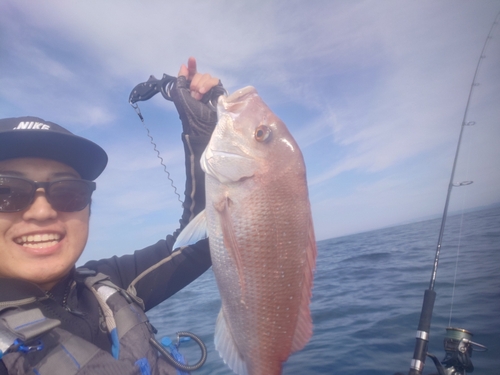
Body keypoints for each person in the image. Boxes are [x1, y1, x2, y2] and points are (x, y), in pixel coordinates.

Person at [0, 57, 224, 374]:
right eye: (6, 192)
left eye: (68, 192)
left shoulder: (109, 283)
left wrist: (204, 136)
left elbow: (206, 236)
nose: (42, 211)